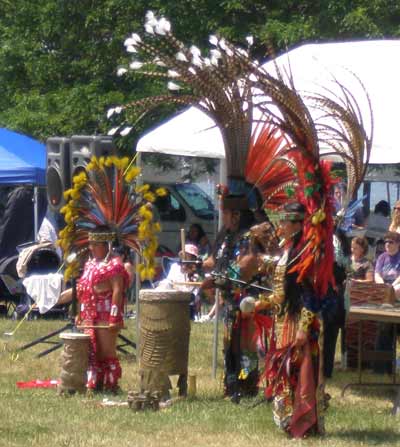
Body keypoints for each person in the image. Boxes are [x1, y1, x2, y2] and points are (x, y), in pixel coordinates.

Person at [258, 202, 326, 437]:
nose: (281, 226)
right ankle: (290, 419)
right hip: (285, 318)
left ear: (298, 224)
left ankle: (299, 421)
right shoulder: (289, 249)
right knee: (284, 368)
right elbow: (282, 293)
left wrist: (304, 328)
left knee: (296, 370)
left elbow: (312, 294)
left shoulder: (304, 252)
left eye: (285, 222)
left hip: (298, 321)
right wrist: (262, 303)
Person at [76, 227, 129, 392]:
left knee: (107, 351)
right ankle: (95, 383)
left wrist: (114, 318)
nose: (91, 247)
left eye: (95, 244)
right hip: (89, 313)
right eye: (90, 243)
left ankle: (111, 385)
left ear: (106, 245)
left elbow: (117, 290)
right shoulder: (90, 263)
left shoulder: (115, 264)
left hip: (105, 313)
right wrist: (80, 313)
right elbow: (84, 290)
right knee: (92, 351)